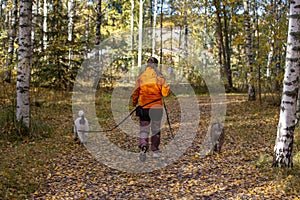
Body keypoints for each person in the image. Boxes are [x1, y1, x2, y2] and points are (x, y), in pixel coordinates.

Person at [132, 57, 170, 158]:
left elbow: (136, 92)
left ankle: (143, 146)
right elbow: (165, 94)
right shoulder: (160, 78)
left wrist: (134, 103)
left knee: (144, 128)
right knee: (156, 129)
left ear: (147, 65)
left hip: (144, 107)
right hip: (156, 108)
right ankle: (155, 150)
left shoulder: (141, 77)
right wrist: (166, 87)